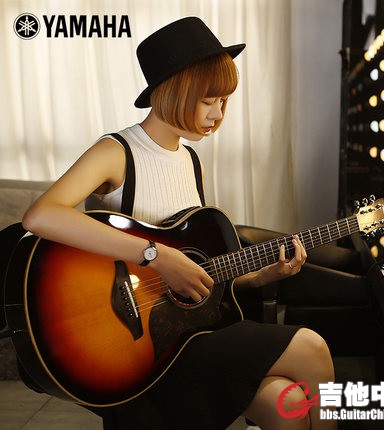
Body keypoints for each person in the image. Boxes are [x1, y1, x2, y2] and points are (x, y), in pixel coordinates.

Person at [22, 16, 336, 430]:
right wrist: (156, 255)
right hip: (138, 348)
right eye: (209, 100)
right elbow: (41, 215)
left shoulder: (190, 161)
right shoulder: (116, 151)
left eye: (224, 101)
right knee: (311, 346)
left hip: (187, 336)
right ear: (173, 91)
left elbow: (196, 276)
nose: (218, 114)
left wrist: (262, 276)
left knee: (287, 404)